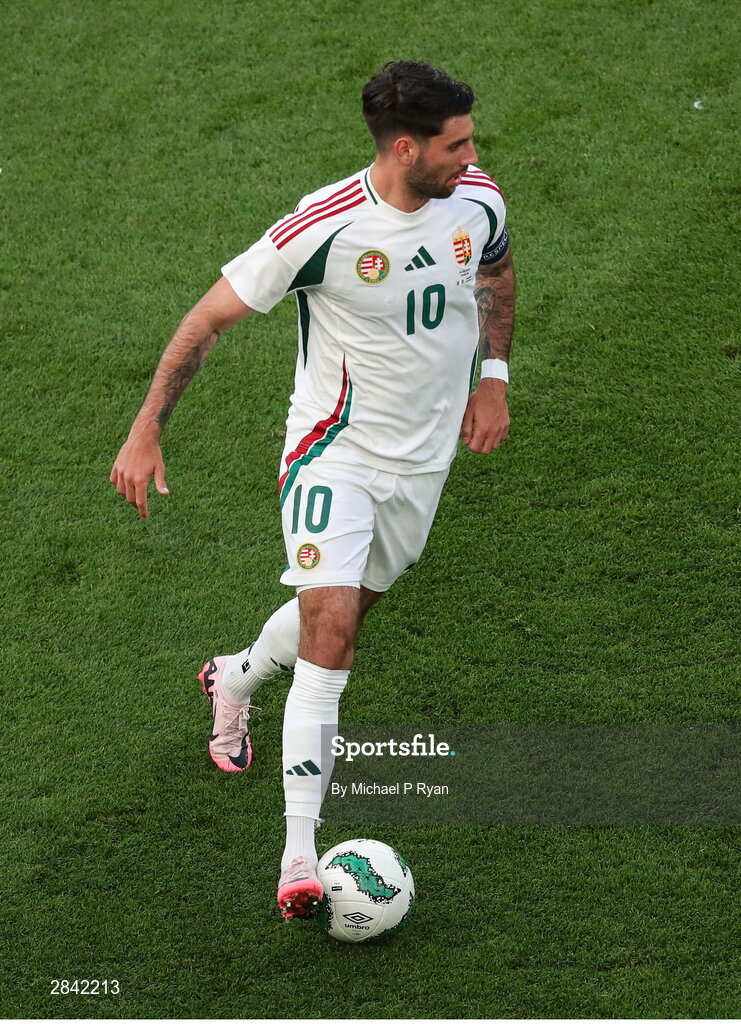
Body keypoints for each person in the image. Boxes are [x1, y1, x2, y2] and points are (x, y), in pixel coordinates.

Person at [111, 60, 516, 919]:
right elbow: (207, 319)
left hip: (421, 465)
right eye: (456, 142)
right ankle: (299, 855)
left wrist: (493, 376)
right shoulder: (323, 227)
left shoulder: (475, 198)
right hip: (332, 454)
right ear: (405, 148)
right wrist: (147, 427)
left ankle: (235, 677)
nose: (472, 154)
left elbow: (495, 277)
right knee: (331, 639)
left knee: (340, 616)